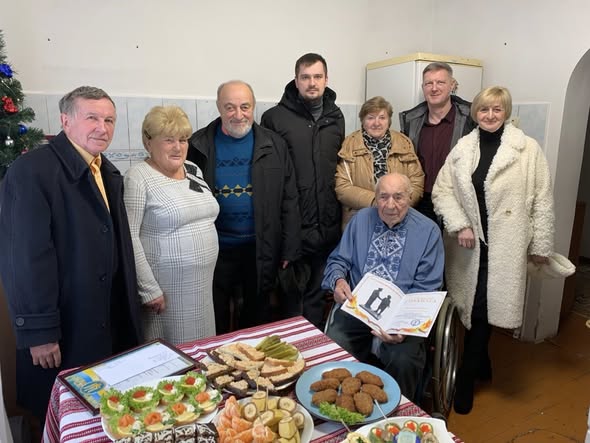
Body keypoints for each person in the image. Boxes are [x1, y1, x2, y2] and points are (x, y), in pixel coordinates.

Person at [0, 86, 143, 422]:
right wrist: (39, 332)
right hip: (64, 326)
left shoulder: (105, 170)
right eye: (92, 118)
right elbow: (25, 258)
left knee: (103, 412)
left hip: (102, 318)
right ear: (65, 121)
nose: (102, 128)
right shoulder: (32, 171)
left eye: (109, 120)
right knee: (63, 415)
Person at [432, 86, 555, 414]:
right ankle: (483, 363)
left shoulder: (527, 149)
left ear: (506, 112)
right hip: (469, 246)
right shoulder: (463, 148)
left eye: (496, 109)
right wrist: (460, 224)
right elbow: (442, 191)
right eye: (484, 109)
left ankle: (465, 378)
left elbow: (543, 199)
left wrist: (541, 244)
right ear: (475, 113)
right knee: (471, 308)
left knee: (484, 309)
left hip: (506, 244)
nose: (489, 115)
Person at [187, 80, 300, 334]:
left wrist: (289, 248)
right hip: (215, 251)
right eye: (230, 107)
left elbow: (289, 199)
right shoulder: (197, 145)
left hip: (260, 250)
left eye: (245, 107)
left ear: (254, 106)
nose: (238, 115)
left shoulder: (275, 145)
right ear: (219, 107)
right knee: (214, 318)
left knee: (256, 319)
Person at [323, 173, 444, 401]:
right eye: (383, 197)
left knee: (404, 360)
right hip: (359, 308)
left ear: (410, 197)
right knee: (335, 345)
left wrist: (403, 327)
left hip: (403, 316)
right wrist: (338, 281)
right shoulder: (360, 220)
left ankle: (397, 412)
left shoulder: (428, 232)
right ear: (375, 197)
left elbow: (427, 288)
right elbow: (338, 260)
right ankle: (342, 405)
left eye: (398, 197)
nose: (390, 205)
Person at [261, 53, 345, 327]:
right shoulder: (274, 118)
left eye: (317, 77)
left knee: (317, 299)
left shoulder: (336, 117)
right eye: (306, 77)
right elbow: (270, 180)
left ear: (326, 79)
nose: (312, 83)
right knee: (291, 303)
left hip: (327, 229)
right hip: (293, 230)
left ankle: (314, 350)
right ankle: (292, 352)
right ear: (296, 80)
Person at [124, 106, 219, 344]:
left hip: (202, 285)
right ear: (148, 142)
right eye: (169, 140)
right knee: (173, 351)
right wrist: (148, 289)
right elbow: (129, 236)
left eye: (183, 139)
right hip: (165, 290)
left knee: (202, 345)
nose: (178, 147)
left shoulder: (193, 170)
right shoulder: (138, 177)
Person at [399, 62, 476, 222]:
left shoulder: (470, 119)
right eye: (429, 83)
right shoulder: (411, 121)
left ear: (452, 85)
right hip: (421, 202)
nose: (434, 88)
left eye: (440, 82)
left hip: (456, 201)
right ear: (423, 87)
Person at [335, 96, 424, 229]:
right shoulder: (349, 145)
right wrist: (377, 202)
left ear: (389, 121)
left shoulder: (404, 143)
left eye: (382, 117)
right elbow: (342, 187)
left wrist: (399, 205)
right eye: (370, 118)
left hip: (399, 218)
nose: (376, 123)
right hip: (360, 219)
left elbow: (417, 181)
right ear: (363, 121)